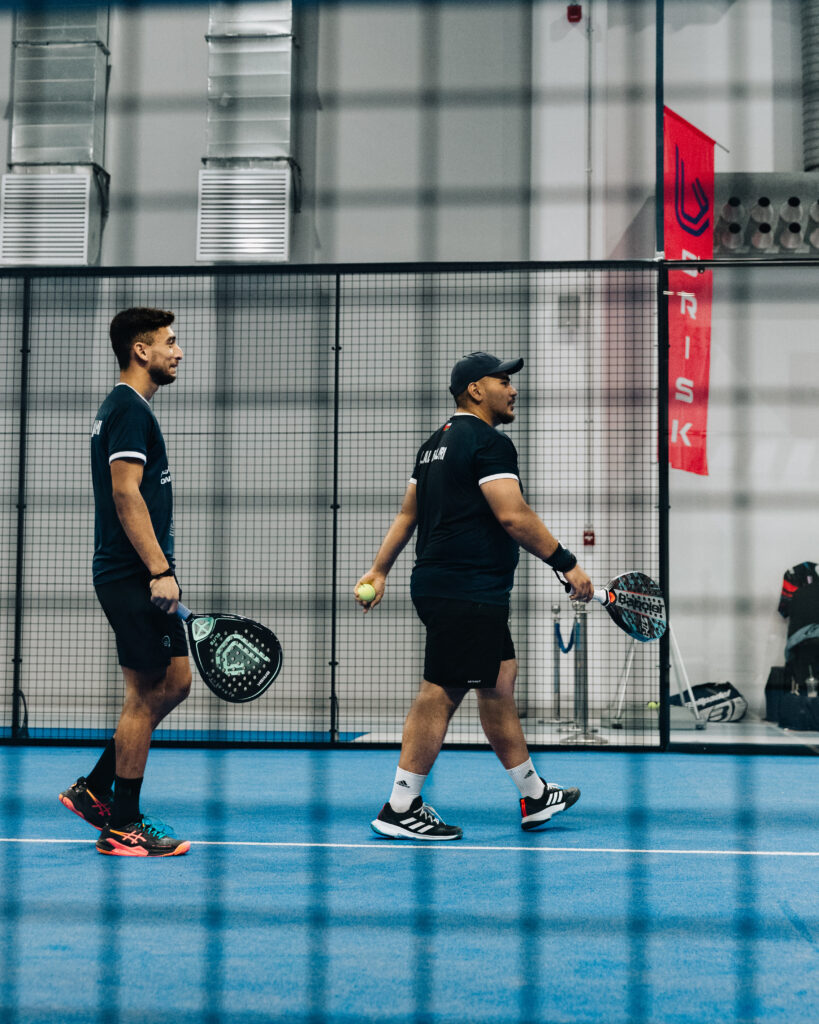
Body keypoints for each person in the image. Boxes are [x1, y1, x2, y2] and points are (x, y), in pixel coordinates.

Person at [355, 351, 594, 840]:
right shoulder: (489, 442)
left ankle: (533, 794)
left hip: (450, 585)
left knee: (499, 679)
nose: (513, 389)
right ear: (475, 390)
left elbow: (408, 515)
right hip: (467, 588)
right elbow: (513, 515)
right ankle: (401, 806)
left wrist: (379, 570)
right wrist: (566, 563)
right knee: (441, 691)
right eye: (503, 381)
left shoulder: (433, 445)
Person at [58, 308, 192, 857]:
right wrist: (159, 571)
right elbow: (125, 493)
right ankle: (123, 826)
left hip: (140, 572)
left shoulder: (129, 408)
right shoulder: (129, 408)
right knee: (143, 694)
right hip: (132, 574)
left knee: (176, 681)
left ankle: (94, 788)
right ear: (141, 350)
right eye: (169, 342)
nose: (178, 352)